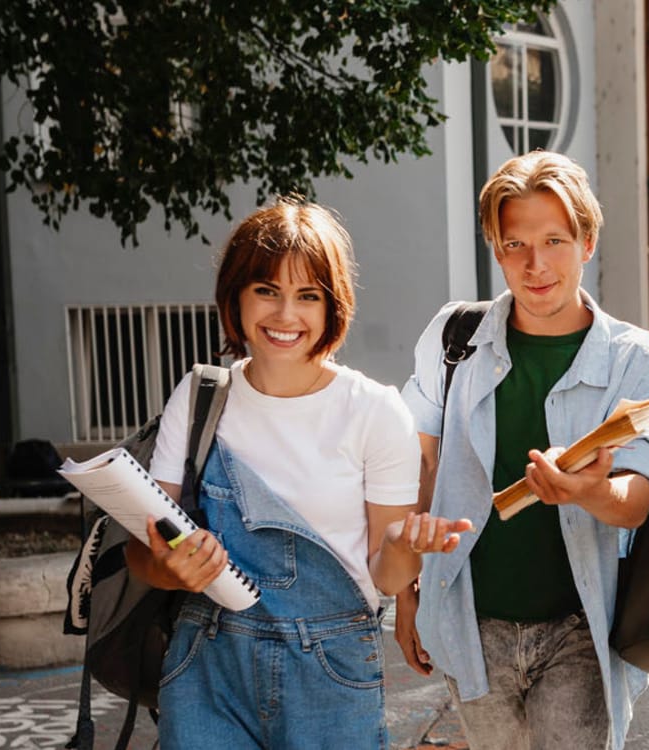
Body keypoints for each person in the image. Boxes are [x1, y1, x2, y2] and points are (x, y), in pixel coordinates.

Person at [392, 150, 649, 750]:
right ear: (496, 249)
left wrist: (592, 491)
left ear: (588, 241)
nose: (536, 264)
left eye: (554, 240)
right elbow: (418, 468)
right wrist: (406, 596)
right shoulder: (454, 339)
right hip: (472, 622)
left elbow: (639, 499)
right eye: (515, 244)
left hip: (581, 627)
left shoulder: (635, 359)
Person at [125, 199, 426, 747]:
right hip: (206, 664)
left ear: (332, 306)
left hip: (331, 673)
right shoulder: (198, 398)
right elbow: (142, 553)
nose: (286, 316)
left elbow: (384, 576)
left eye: (307, 296)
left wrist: (408, 547)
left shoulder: (376, 412)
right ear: (236, 295)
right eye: (267, 291)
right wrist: (175, 570)